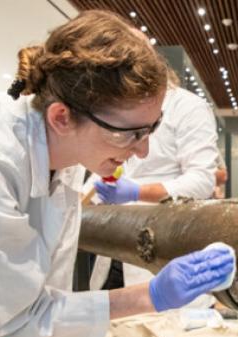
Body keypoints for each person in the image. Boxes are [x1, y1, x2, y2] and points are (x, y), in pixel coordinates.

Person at [0, 11, 234, 337]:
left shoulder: (70, 154)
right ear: (61, 117)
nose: (143, 151)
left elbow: (44, 301)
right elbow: (19, 318)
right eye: (129, 134)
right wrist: (149, 296)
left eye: (152, 130)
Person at [87, 74, 220, 289]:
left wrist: (137, 192)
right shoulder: (123, 104)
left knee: (158, 314)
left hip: (163, 247)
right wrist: (87, 191)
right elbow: (112, 164)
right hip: (114, 246)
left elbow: (202, 182)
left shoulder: (189, 107)